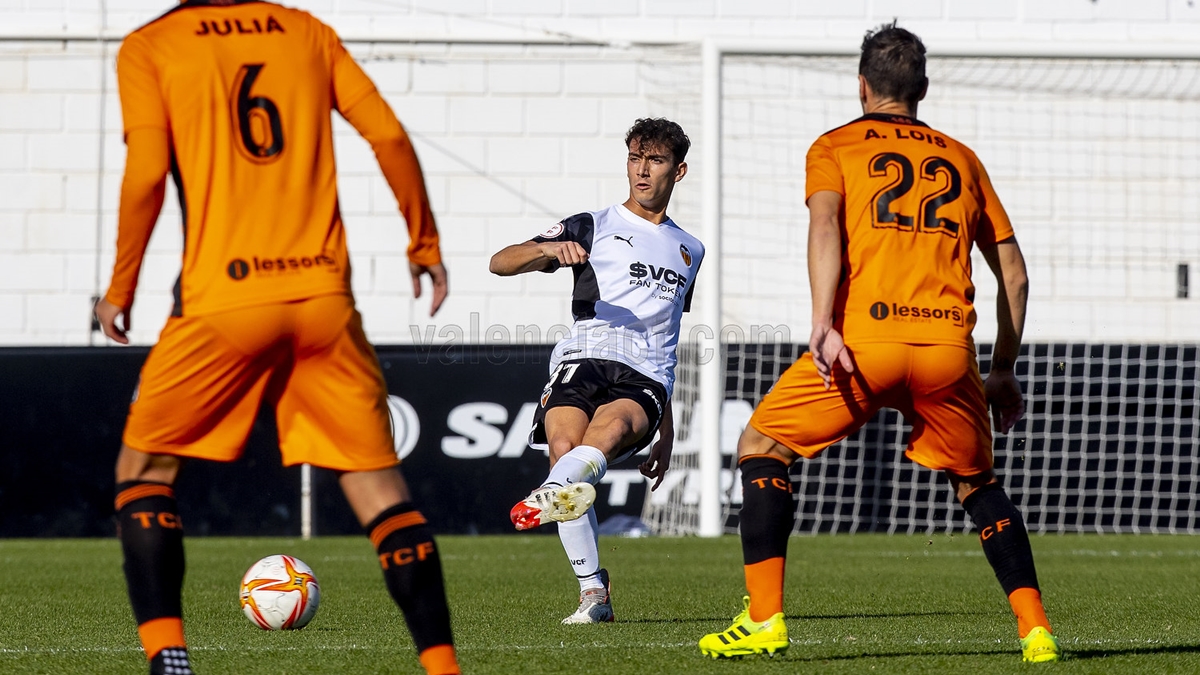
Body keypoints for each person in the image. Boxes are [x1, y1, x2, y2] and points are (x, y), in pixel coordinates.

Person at [94, 2, 458, 673]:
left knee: (143, 471)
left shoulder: (150, 45)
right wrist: (423, 241)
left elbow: (146, 172)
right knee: (381, 491)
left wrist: (120, 289)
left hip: (224, 299)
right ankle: (443, 667)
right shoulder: (306, 31)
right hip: (322, 299)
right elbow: (390, 137)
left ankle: (169, 656)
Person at [697, 23, 1060, 663]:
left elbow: (827, 224)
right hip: (949, 351)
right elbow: (1016, 275)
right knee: (977, 483)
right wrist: (1002, 368)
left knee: (760, 446)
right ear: (922, 88)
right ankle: (1036, 631)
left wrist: (821, 321)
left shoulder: (835, 146)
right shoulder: (962, 158)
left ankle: (764, 620)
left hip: (864, 345)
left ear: (861, 85)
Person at [489, 118, 704, 624]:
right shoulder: (593, 224)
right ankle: (594, 591)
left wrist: (666, 433)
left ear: (679, 170)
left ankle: (552, 502)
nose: (642, 171)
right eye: (635, 158)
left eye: (655, 161)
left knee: (601, 440)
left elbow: (669, 332)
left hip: (647, 371)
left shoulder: (689, 250)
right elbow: (499, 262)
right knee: (565, 452)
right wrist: (546, 251)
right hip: (583, 355)